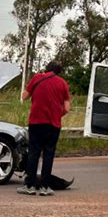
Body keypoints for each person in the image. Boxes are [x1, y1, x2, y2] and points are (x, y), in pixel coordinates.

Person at [17, 60, 71, 196]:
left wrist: (27, 88)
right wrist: (57, 115)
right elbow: (67, 108)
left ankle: (29, 185)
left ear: (47, 69)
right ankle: (45, 187)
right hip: (53, 124)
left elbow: (24, 97)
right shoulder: (63, 83)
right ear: (59, 71)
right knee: (48, 154)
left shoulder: (37, 78)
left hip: (36, 122)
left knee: (34, 153)